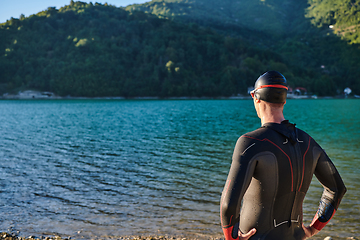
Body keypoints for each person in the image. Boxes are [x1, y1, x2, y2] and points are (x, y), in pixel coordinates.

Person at [220, 71, 347, 240]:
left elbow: (228, 205)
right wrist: (312, 229)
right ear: (284, 100)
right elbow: (337, 189)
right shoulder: (308, 142)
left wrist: (232, 238)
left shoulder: (249, 142)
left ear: (256, 98)